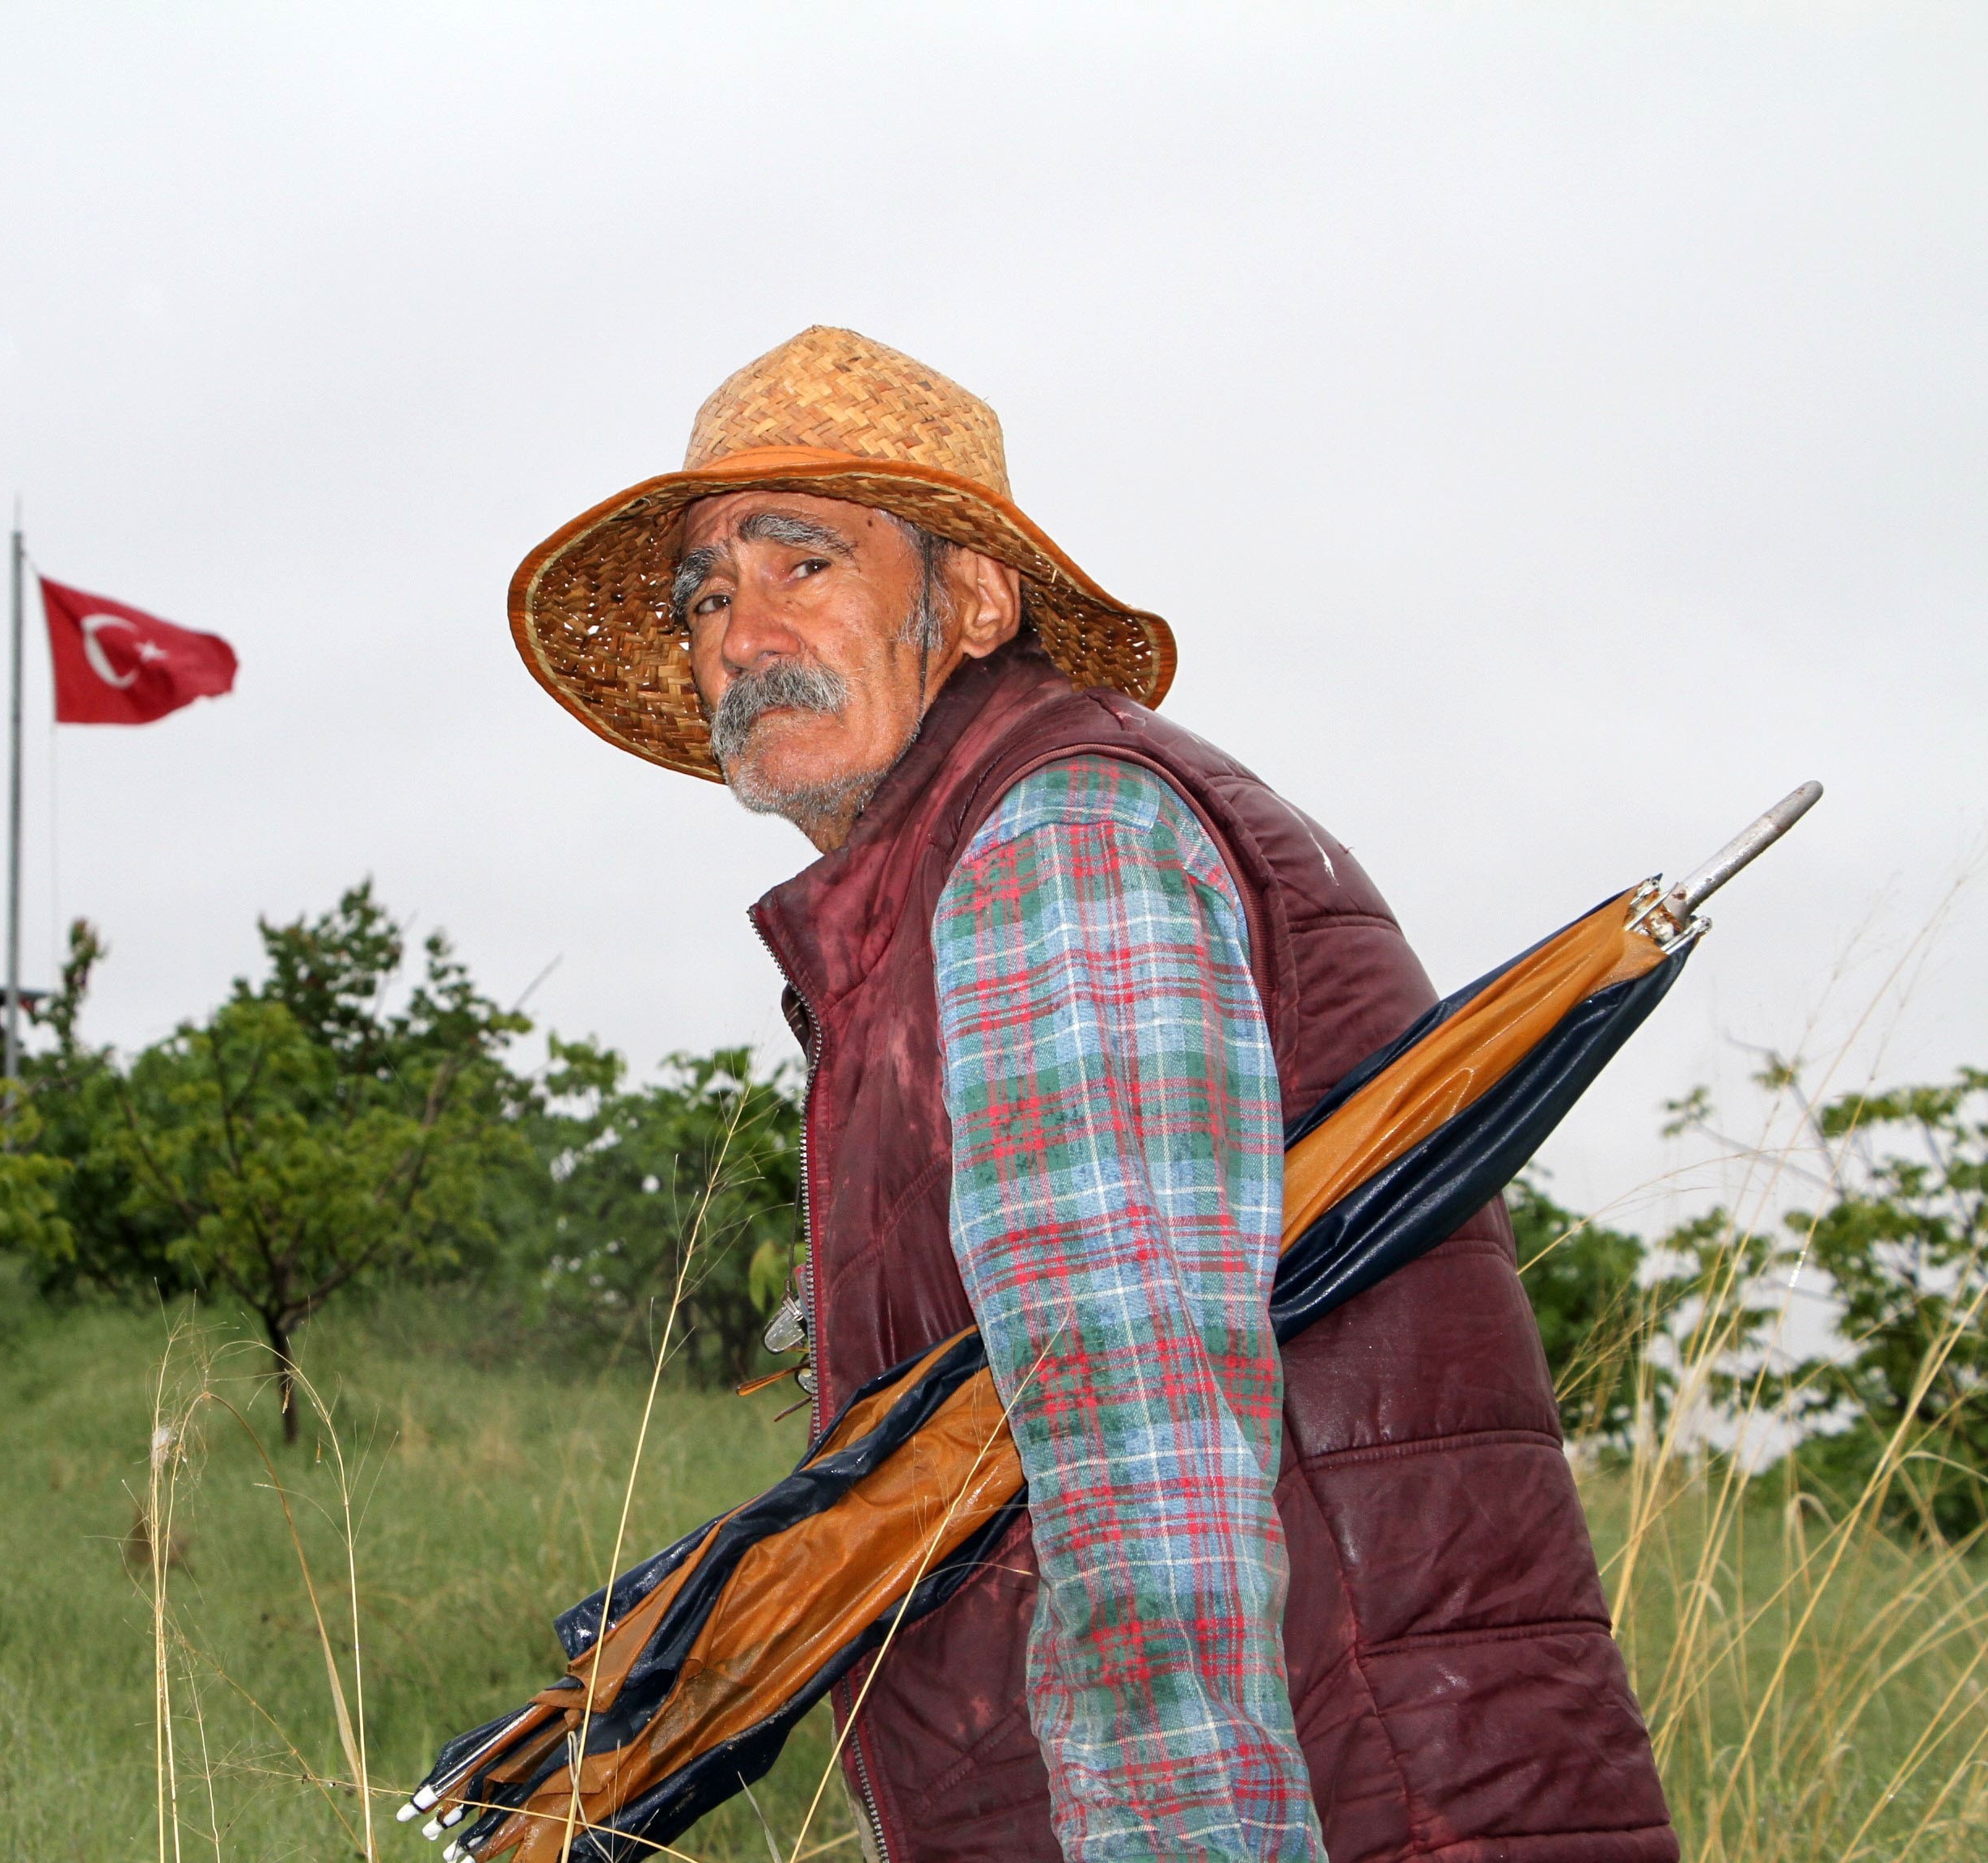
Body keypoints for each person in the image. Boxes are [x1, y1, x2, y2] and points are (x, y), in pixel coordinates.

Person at [505, 328, 1677, 1863]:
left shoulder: (1059, 841)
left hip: (1340, 1809)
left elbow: (1142, 1439)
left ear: (975, 600)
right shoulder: (967, 880)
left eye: (803, 565)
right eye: (709, 594)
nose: (738, 632)